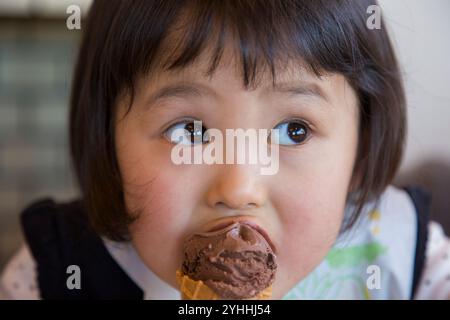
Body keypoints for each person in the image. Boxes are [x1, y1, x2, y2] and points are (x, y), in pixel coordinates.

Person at [1, 0, 449, 299]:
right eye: (189, 131)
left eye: (293, 130)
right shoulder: (56, 272)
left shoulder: (402, 258)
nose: (238, 188)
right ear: (107, 142)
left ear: (362, 148)